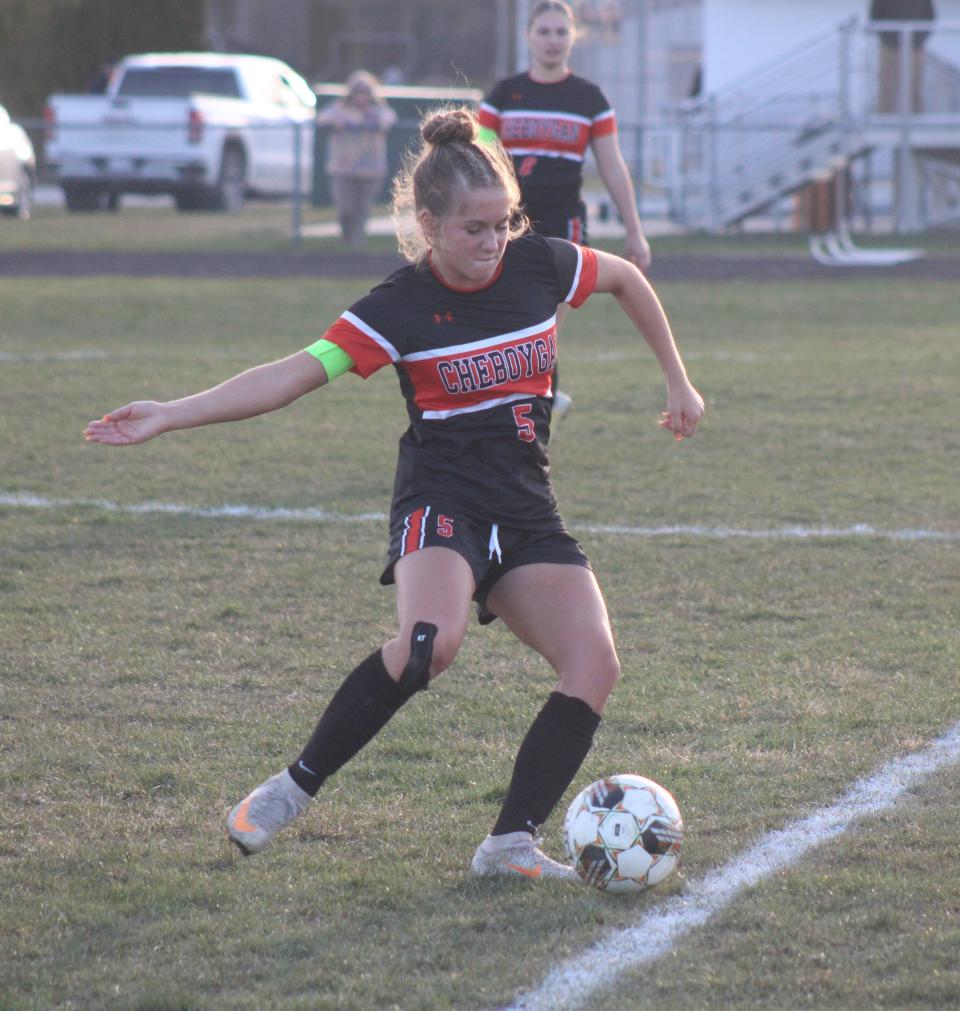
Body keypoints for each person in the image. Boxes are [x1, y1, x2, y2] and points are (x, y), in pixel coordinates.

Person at [83, 107, 704, 881]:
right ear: (428, 222)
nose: (492, 242)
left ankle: (508, 843)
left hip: (526, 504)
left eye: (503, 223)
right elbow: (290, 375)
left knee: (594, 664)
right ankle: (289, 789)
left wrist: (677, 379)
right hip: (441, 498)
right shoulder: (399, 305)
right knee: (427, 645)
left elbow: (625, 278)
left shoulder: (541, 263)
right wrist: (171, 414)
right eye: (474, 228)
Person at [479, 0, 651, 420]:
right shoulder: (504, 95)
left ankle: (540, 404)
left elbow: (612, 166)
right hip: (509, 225)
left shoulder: (588, 98)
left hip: (565, 225)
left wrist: (635, 230)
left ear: (574, 36)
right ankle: (535, 403)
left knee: (540, 320)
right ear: (529, 37)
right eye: (544, 32)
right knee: (512, 320)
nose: (553, 40)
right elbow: (478, 160)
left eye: (561, 32)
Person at [316, 70, 397, 248]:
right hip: (343, 169)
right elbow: (322, 118)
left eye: (365, 92)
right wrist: (337, 123)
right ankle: (347, 239)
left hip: (371, 170)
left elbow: (389, 119)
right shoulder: (339, 109)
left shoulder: (378, 111)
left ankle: (357, 246)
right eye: (358, 92)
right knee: (346, 208)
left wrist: (372, 123)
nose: (361, 97)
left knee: (362, 209)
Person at [871, 0, 936, 113]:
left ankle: (917, 120)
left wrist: (918, 38)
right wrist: (888, 38)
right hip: (889, 46)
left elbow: (930, 16)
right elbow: (875, 16)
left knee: (915, 85)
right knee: (886, 85)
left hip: (915, 46)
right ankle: (884, 121)